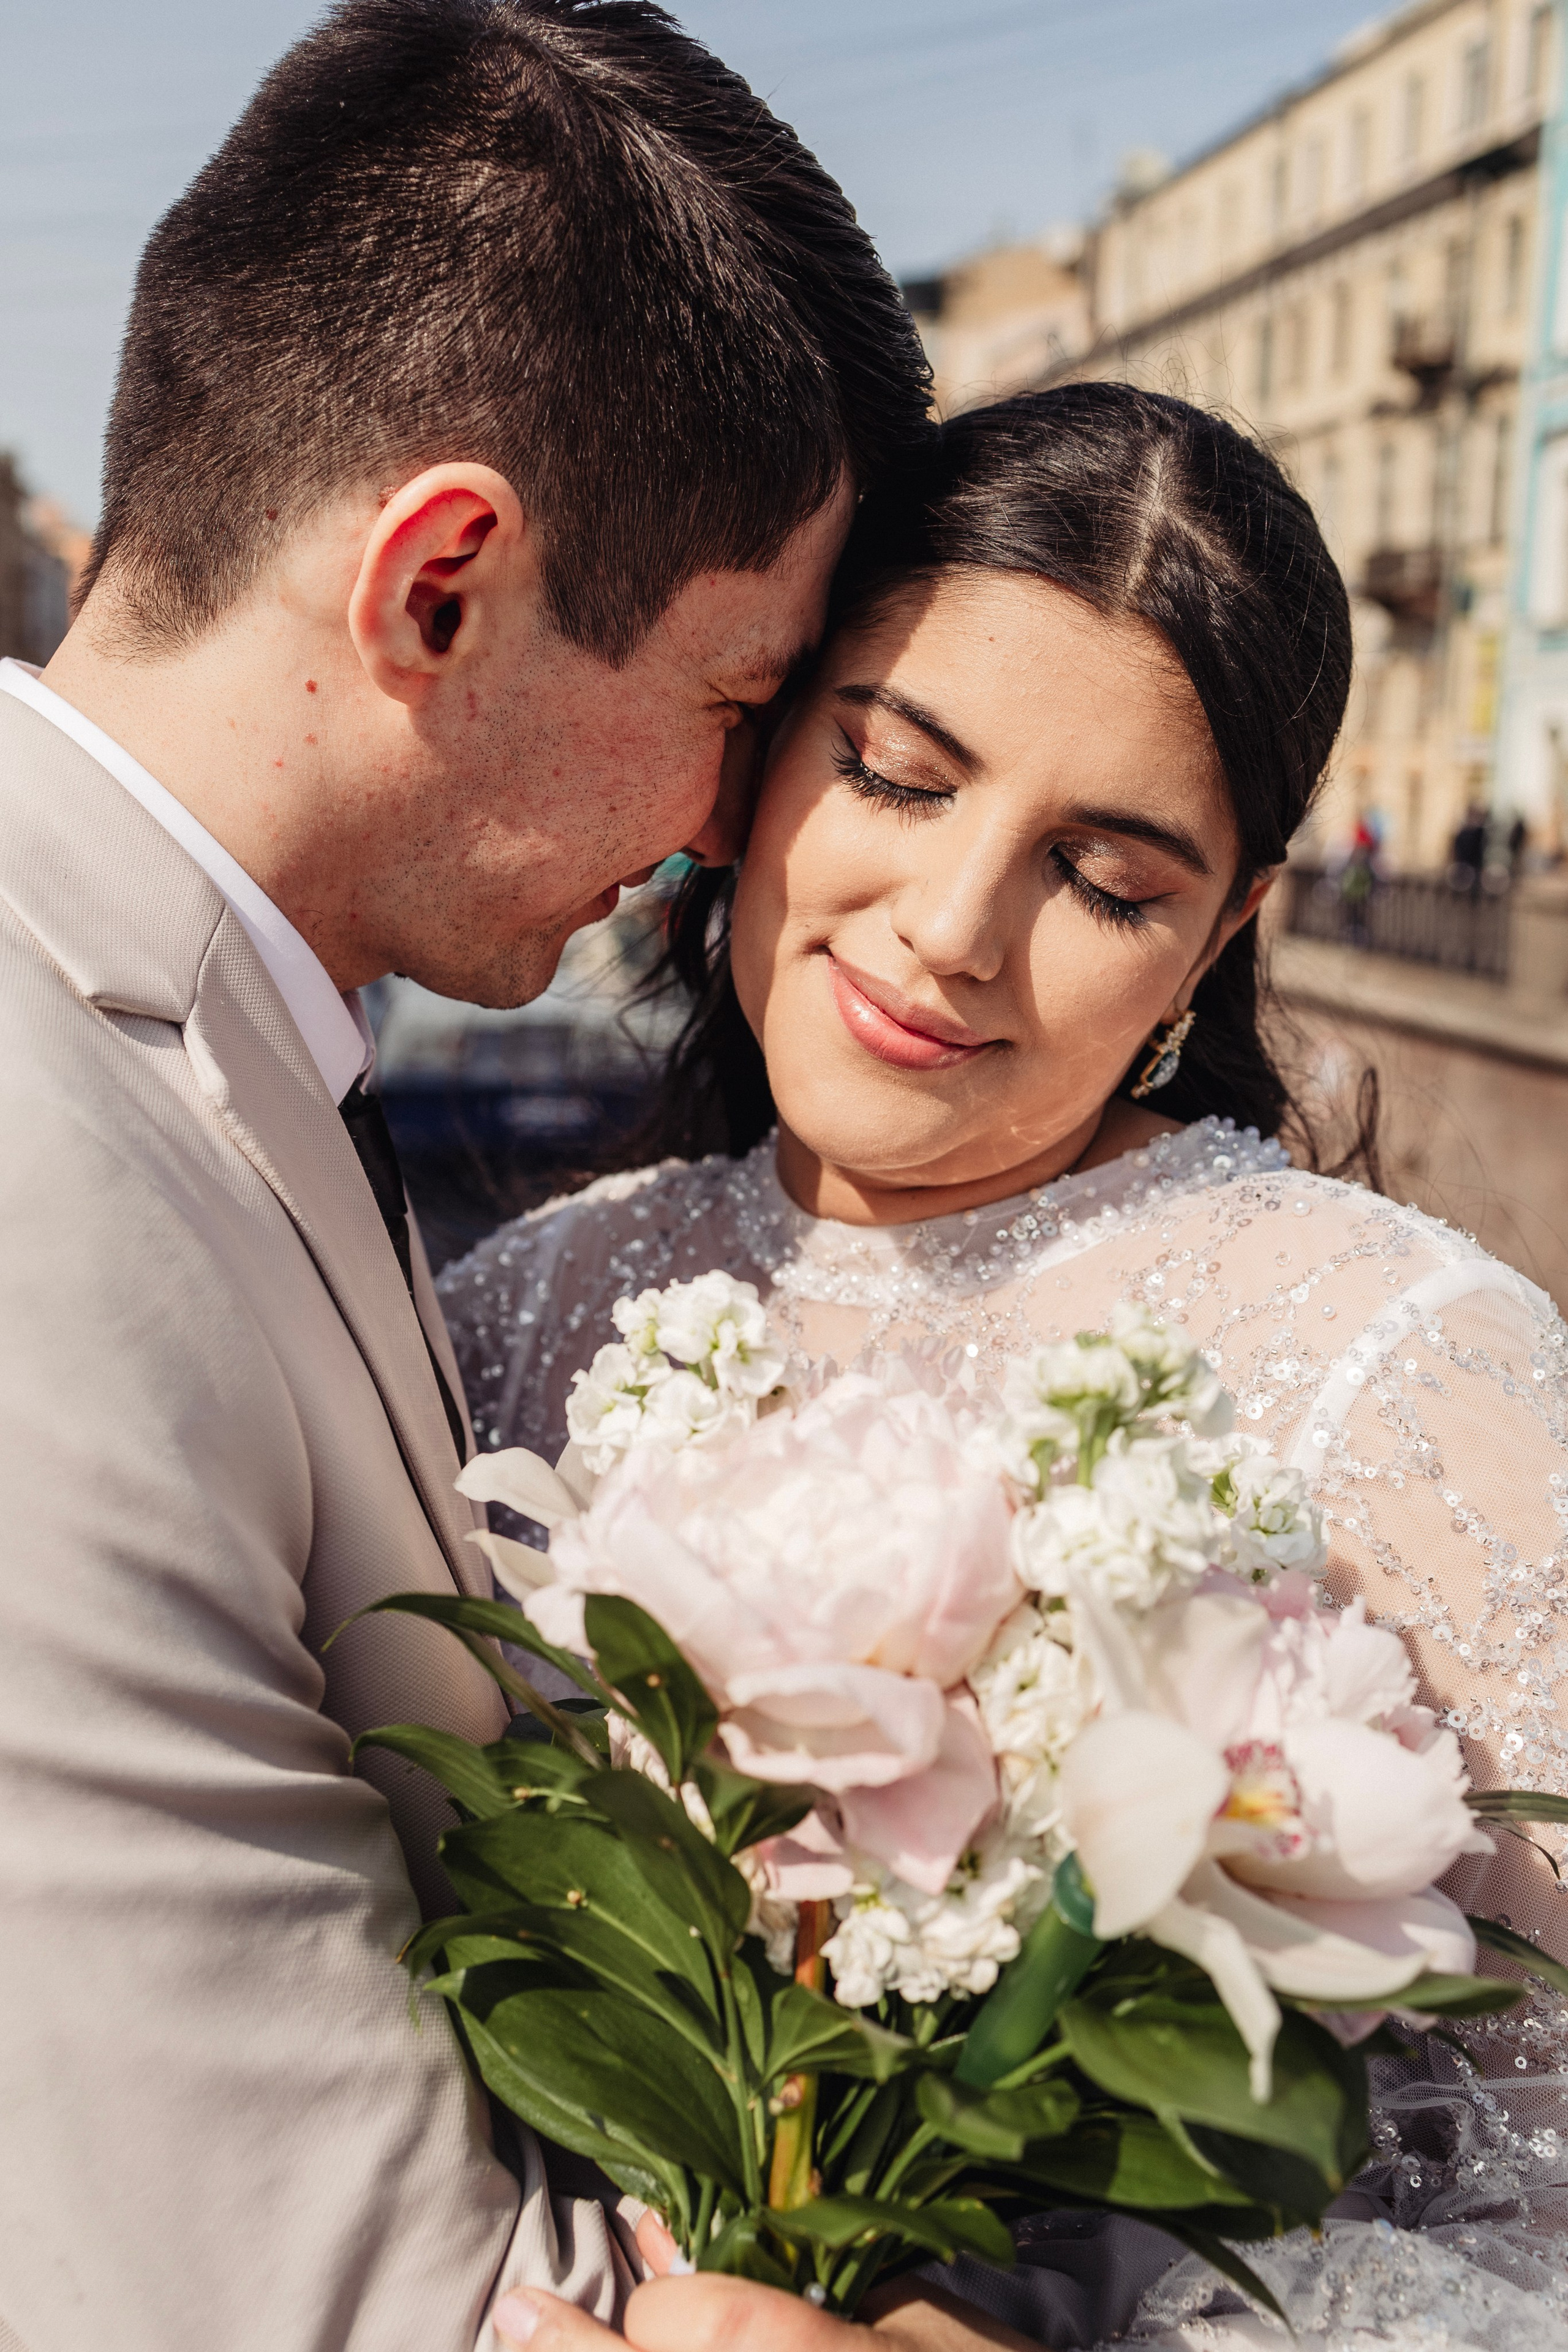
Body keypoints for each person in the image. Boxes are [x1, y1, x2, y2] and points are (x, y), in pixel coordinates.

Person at [0, 4, 1036, 2348]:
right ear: (441, 585)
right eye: (734, 699)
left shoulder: (197, 1028)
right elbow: (326, 2286)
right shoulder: (42, 1182)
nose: (732, 826)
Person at [441, 386, 1568, 2351]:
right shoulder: (520, 1305)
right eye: (894, 774)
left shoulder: (1411, 1374)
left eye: (1108, 880)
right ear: (758, 749)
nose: (954, 930)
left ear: (1218, 936)